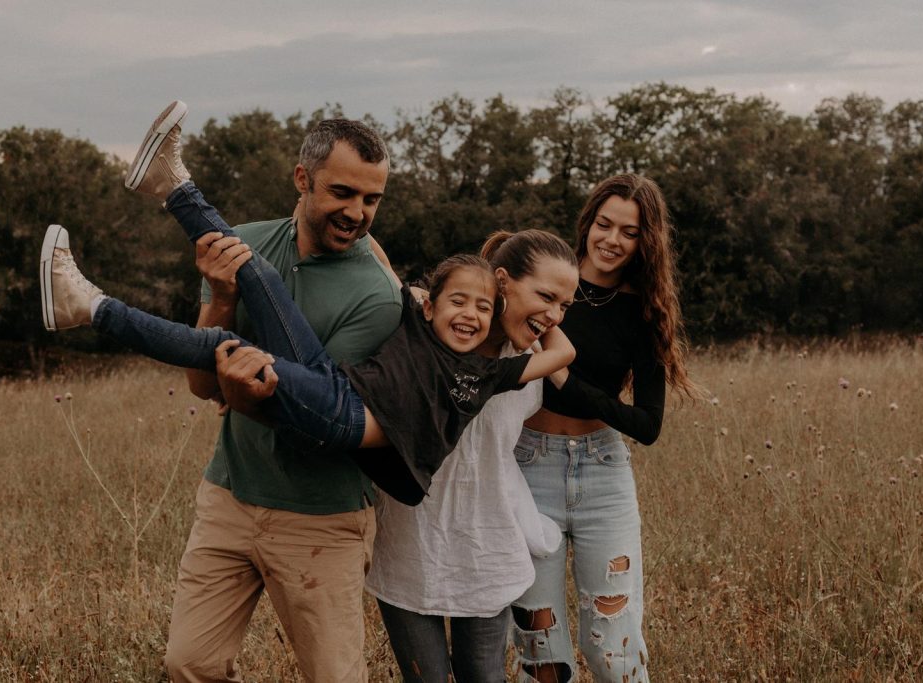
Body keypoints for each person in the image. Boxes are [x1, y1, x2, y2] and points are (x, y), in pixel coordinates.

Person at [87, 101, 399, 682]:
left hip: (320, 518)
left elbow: (326, 418)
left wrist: (248, 397)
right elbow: (203, 386)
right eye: (343, 193)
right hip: (229, 495)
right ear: (302, 179)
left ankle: (150, 220)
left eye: (371, 199)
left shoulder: (377, 296)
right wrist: (221, 298)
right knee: (190, 664)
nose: (357, 212)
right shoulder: (243, 243)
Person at [40, 213, 574, 503]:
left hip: (344, 419)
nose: (470, 315)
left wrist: (543, 315)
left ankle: (88, 306)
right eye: (459, 302)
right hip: (335, 384)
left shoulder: (492, 372)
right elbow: (382, 263)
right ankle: (176, 189)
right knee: (263, 279)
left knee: (222, 347)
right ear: (432, 304)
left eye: (482, 309)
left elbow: (564, 349)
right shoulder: (416, 319)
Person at [363, 229, 581, 683]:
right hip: (409, 548)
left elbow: (574, 367)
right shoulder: (427, 336)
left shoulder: (522, 368)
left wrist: (541, 314)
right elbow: (380, 268)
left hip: (487, 552)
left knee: (484, 676)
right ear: (502, 282)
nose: (555, 312)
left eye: (564, 305)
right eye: (546, 295)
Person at [509, 174, 698, 683]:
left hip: (603, 474)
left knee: (614, 652)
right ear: (588, 224)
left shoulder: (645, 311)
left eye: (629, 232)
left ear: (646, 241)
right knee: (540, 651)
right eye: (604, 224)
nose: (612, 240)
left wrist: (565, 374)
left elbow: (648, 425)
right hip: (528, 469)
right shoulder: (548, 288)